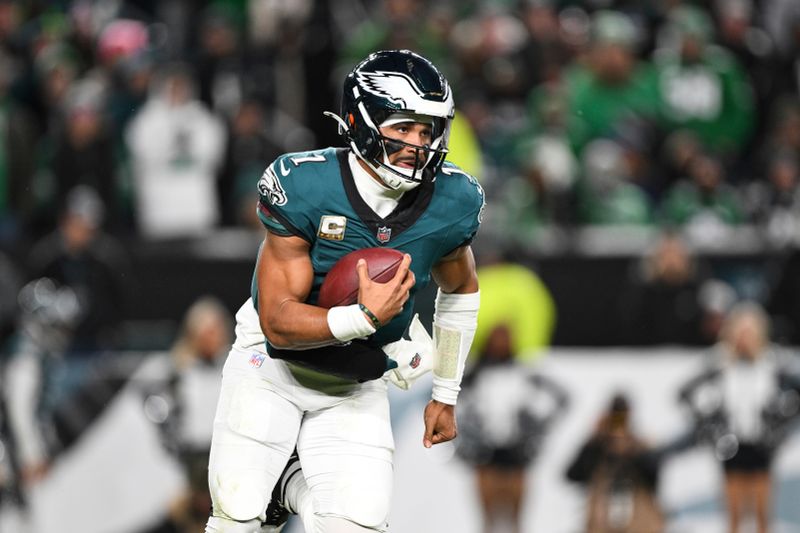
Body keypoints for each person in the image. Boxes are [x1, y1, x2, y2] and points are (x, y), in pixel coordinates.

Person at [205, 49, 484, 533]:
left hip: (356, 379)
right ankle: (279, 491)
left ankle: (288, 489)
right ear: (360, 120)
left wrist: (446, 390)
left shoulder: (453, 200)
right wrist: (364, 317)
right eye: (402, 127)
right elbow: (277, 324)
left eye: (427, 131)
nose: (416, 145)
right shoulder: (306, 184)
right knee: (238, 516)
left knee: (354, 525)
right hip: (272, 369)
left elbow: (461, 289)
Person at [678, 303, 800, 533]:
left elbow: (794, 397)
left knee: (763, 514)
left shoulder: (772, 363)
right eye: (741, 331)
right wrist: (712, 425)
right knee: (734, 515)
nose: (745, 337)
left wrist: (779, 422)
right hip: (731, 445)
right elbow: (686, 394)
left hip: (761, 444)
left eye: (750, 331)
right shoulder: (720, 364)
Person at [455, 324, 568, 533]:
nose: (501, 343)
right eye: (497, 337)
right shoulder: (473, 375)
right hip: (485, 457)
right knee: (488, 521)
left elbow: (561, 398)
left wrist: (537, 427)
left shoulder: (524, 373)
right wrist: (466, 435)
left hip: (516, 455)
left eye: (506, 337)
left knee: (515, 521)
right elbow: (447, 402)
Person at [566, 393, 665, 533]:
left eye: (622, 415)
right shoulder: (597, 447)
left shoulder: (639, 446)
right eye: (616, 415)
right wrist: (594, 442)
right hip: (601, 524)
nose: (619, 420)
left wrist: (635, 453)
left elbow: (654, 480)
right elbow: (572, 475)